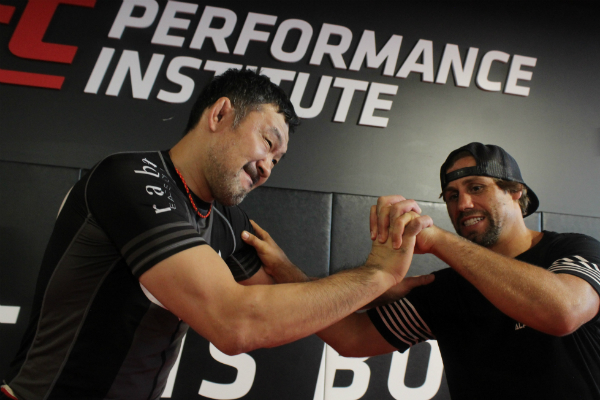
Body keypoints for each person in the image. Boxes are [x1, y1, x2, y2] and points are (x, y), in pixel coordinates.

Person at [1, 69, 427, 400]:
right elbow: (235, 323)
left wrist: (385, 284)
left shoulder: (227, 221)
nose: (267, 168)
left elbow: (317, 319)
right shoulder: (130, 179)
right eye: (268, 143)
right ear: (220, 114)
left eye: (277, 161)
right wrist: (375, 275)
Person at [244, 142, 600, 399]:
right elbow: (351, 338)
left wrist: (436, 239)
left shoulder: (573, 251)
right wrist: (288, 271)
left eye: (476, 188)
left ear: (516, 192)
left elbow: (562, 312)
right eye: (452, 195)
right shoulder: (446, 289)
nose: (463, 204)